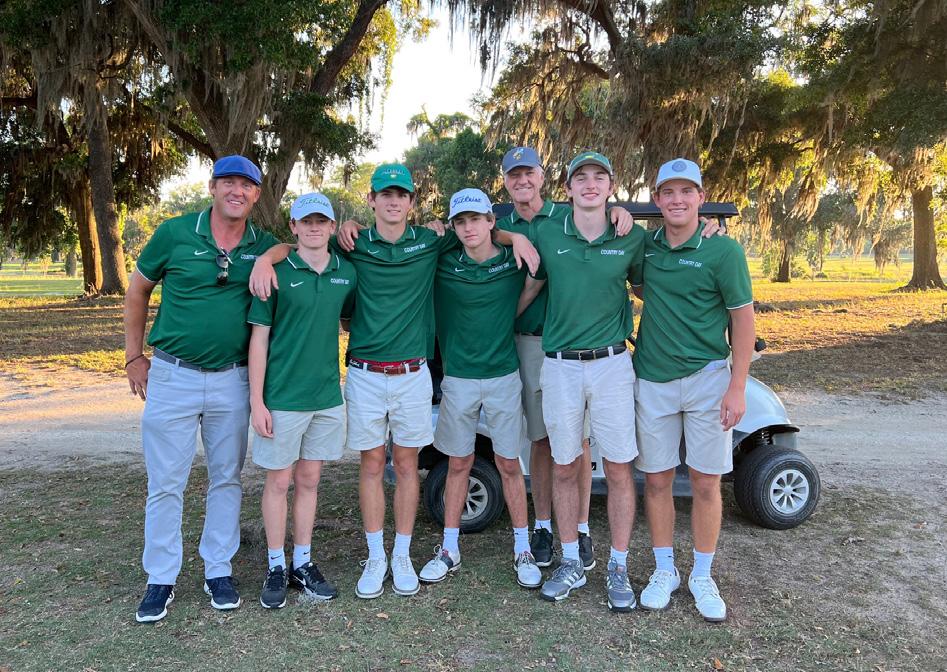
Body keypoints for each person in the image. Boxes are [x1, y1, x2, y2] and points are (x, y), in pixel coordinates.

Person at [249, 165, 525, 599]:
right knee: (373, 464)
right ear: (372, 200)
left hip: (413, 374)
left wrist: (517, 238)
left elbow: (482, 232)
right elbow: (301, 245)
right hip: (365, 374)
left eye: (401, 194)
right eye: (385, 194)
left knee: (407, 464)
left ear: (412, 201)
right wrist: (266, 257)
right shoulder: (353, 243)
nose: (393, 201)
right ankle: (376, 556)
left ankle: (402, 555)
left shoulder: (431, 240)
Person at [125, 155, 280, 623]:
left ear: (256, 195)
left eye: (246, 185)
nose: (237, 191)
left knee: (227, 478)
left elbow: (297, 245)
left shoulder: (261, 243)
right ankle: (161, 577)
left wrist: (269, 257)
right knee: (166, 482)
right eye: (228, 182)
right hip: (173, 375)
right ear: (212, 187)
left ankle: (218, 569)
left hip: (232, 378)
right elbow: (137, 290)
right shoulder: (175, 233)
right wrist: (133, 356)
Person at [511, 151, 644, 612]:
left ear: (610, 186)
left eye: (599, 177)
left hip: (611, 364)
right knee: (565, 463)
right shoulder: (549, 232)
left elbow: (653, 285)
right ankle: (571, 560)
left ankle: (618, 566)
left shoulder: (630, 236)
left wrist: (709, 230)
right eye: (580, 177)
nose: (590, 184)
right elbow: (530, 283)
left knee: (620, 468)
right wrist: (501, 326)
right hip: (561, 365)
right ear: (566, 188)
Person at [633, 158, 755, 622]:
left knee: (705, 481)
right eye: (669, 192)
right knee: (657, 479)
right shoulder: (646, 247)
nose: (678, 200)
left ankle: (702, 574)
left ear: (701, 198)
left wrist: (737, 387)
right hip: (653, 378)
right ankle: (665, 569)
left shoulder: (723, 251)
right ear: (657, 199)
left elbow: (743, 321)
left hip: (708, 379)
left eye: (687, 191)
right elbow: (638, 284)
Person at [417, 188, 542, 589]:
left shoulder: (511, 260)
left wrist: (515, 238)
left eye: (476, 219)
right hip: (458, 379)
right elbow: (423, 240)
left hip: (504, 376)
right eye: (460, 221)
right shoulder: (443, 262)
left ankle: (523, 549)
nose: (468, 227)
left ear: (491, 221)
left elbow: (538, 280)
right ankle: (449, 549)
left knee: (509, 464)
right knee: (458, 463)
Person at [247, 193, 356, 608]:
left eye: (321, 221)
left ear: (332, 226)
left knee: (310, 480)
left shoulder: (346, 273)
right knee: (279, 482)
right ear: (293, 227)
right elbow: (259, 340)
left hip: (326, 396)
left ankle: (302, 562)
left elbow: (348, 317)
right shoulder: (274, 272)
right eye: (305, 221)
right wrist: (257, 401)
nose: (313, 227)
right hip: (282, 397)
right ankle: (276, 565)